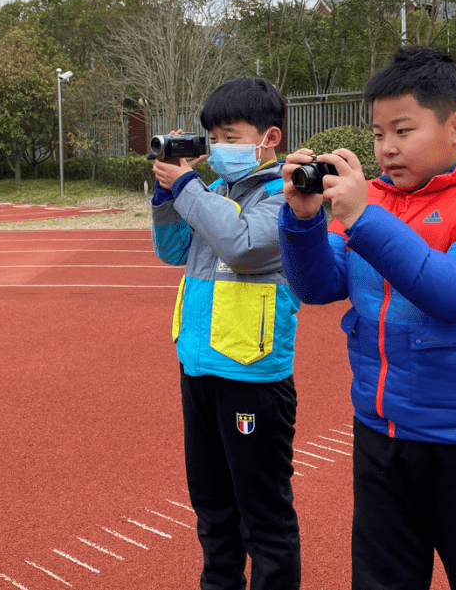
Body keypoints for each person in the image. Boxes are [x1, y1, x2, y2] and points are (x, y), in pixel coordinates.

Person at [278, 47, 456, 590]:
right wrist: (302, 221)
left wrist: (363, 216)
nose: (387, 149)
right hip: (381, 436)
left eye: (403, 130)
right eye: (377, 134)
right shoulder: (376, 200)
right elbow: (319, 285)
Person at [151, 76, 301, 590]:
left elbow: (242, 246)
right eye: (213, 137)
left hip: (252, 374)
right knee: (212, 505)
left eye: (232, 136)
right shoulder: (212, 192)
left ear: (270, 137)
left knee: (263, 512)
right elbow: (172, 251)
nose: (220, 149)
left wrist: (187, 187)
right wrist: (165, 193)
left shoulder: (287, 195)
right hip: (199, 364)